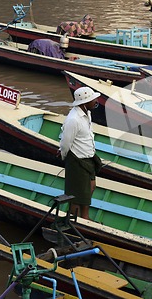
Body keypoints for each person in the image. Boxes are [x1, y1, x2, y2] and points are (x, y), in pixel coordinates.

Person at [58, 86, 102, 220]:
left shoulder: (87, 113)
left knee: (90, 188)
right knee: (76, 195)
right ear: (84, 102)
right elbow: (66, 142)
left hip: (89, 158)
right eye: (92, 99)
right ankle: (75, 220)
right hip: (77, 160)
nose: (96, 101)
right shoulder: (73, 119)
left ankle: (84, 217)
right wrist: (64, 156)